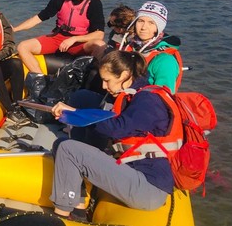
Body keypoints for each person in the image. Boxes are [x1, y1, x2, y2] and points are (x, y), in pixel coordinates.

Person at [49, 50, 176, 220]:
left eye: (107, 80)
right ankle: (78, 210)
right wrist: (75, 113)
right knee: (61, 144)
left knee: (68, 148)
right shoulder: (133, 95)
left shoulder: (148, 100)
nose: (103, 86)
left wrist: (77, 113)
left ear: (124, 75)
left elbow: (117, 128)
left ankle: (60, 218)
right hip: (134, 174)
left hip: (148, 187)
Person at [14, 0, 105, 75]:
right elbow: (39, 18)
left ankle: (90, 78)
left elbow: (99, 34)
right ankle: (41, 80)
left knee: (100, 45)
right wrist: (15, 29)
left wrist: (75, 39)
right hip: (58, 38)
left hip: (80, 42)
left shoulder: (94, 3)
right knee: (22, 47)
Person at [119, 1, 182, 93]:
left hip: (144, 104)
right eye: (140, 21)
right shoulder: (129, 47)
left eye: (151, 23)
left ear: (159, 27)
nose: (144, 27)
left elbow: (163, 96)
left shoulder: (165, 60)